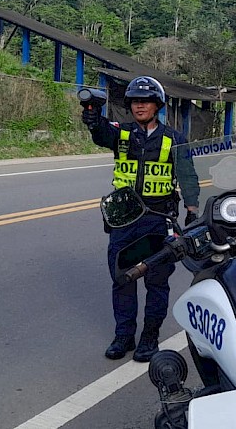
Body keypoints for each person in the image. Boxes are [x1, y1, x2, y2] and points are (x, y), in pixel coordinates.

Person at [82, 76, 199, 362]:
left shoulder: (174, 139)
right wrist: (93, 117)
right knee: (122, 279)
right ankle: (124, 336)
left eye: (145, 101)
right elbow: (100, 133)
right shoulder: (120, 133)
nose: (140, 106)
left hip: (158, 220)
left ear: (157, 105)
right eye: (135, 101)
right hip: (124, 219)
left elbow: (187, 175)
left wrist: (193, 210)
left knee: (157, 282)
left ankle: (150, 337)